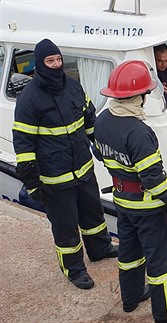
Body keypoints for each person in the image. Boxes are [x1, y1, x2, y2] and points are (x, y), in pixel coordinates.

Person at [12, 38, 118, 290]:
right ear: (40, 64)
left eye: (59, 59)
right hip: (55, 179)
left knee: (93, 214)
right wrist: (32, 181)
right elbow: (23, 144)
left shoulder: (73, 86)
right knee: (66, 226)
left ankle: (100, 248)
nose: (56, 64)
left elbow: (89, 119)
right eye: (50, 61)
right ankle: (74, 269)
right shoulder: (29, 99)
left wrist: (101, 147)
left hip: (83, 169)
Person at [95, 60, 167, 322]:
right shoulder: (139, 132)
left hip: (122, 202)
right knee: (161, 261)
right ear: (137, 97)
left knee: (129, 252)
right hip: (148, 208)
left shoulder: (102, 120)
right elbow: (153, 178)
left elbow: (100, 154)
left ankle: (131, 297)